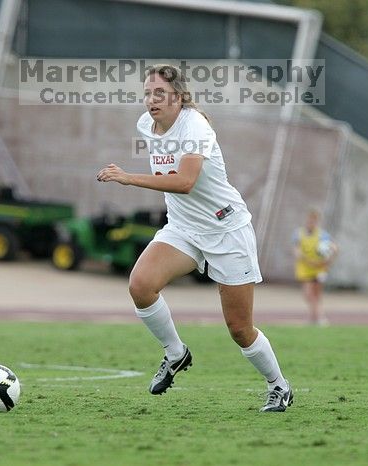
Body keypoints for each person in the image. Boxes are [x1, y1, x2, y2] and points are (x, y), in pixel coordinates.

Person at [96, 64, 293, 412]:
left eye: (160, 93)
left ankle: (279, 386)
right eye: (147, 93)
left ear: (179, 97)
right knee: (140, 285)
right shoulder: (146, 125)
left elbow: (185, 181)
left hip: (226, 229)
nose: (151, 100)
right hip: (184, 228)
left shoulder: (195, 126)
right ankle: (175, 353)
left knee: (239, 328)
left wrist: (129, 177)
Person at [293, 209, 338, 326]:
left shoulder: (323, 235)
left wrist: (327, 261)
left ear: (317, 221)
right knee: (308, 294)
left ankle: (316, 317)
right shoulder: (299, 234)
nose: (311, 222)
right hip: (306, 269)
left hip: (319, 269)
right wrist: (308, 260)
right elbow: (297, 252)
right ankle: (319, 316)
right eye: (309, 220)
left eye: (314, 220)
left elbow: (334, 249)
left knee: (316, 294)